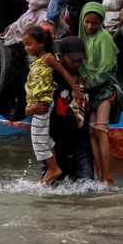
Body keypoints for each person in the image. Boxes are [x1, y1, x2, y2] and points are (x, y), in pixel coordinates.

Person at [26, 36, 95, 183]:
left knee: (87, 193)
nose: (77, 64)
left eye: (80, 61)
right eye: (73, 60)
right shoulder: (48, 77)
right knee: (50, 195)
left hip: (81, 147)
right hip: (56, 148)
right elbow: (27, 106)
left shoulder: (88, 78)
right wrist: (31, 109)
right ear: (62, 56)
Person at [78, 2, 123, 186]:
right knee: (90, 131)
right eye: (87, 22)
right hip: (89, 91)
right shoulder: (81, 39)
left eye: (94, 23)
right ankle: (100, 175)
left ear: (101, 23)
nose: (89, 26)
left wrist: (85, 87)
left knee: (101, 130)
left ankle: (108, 176)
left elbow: (105, 70)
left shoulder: (104, 38)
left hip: (103, 89)